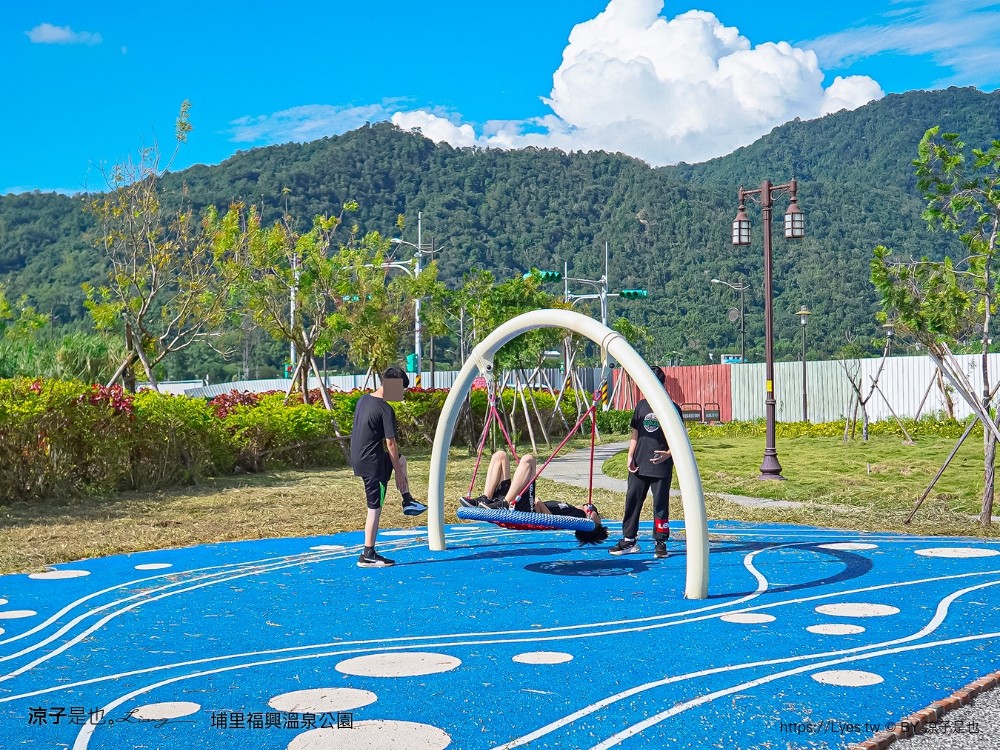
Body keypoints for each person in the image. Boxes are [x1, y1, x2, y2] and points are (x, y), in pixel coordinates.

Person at [350, 366, 427, 568]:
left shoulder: (364, 400)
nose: (402, 394)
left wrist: (399, 469)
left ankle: (407, 500)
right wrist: (399, 476)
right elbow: (390, 443)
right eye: (401, 389)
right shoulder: (385, 409)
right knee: (374, 508)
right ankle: (368, 553)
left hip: (360, 458)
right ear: (392, 385)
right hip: (372, 464)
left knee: (401, 460)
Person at [460, 450, 609, 545]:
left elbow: (551, 522)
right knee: (500, 456)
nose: (594, 510)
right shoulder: (574, 511)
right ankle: (486, 499)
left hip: (527, 511)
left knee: (529, 460)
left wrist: (540, 504)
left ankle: (504, 504)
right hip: (525, 505)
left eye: (598, 518)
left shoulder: (579, 517)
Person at [610, 364, 681, 559]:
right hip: (639, 465)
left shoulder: (672, 408)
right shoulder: (641, 406)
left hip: (661, 467)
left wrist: (667, 454)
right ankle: (629, 540)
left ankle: (660, 542)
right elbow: (635, 433)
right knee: (632, 501)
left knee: (660, 504)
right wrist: (630, 455)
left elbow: (680, 440)